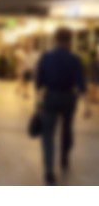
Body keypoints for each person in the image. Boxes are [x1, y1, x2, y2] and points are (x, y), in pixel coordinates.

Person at [36, 27, 91, 185]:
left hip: (51, 97)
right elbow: (81, 84)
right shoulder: (75, 59)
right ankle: (64, 158)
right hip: (68, 97)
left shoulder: (46, 57)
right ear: (70, 40)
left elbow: (39, 82)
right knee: (67, 128)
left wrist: (37, 101)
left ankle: (49, 171)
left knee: (48, 134)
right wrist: (86, 106)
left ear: (55, 39)